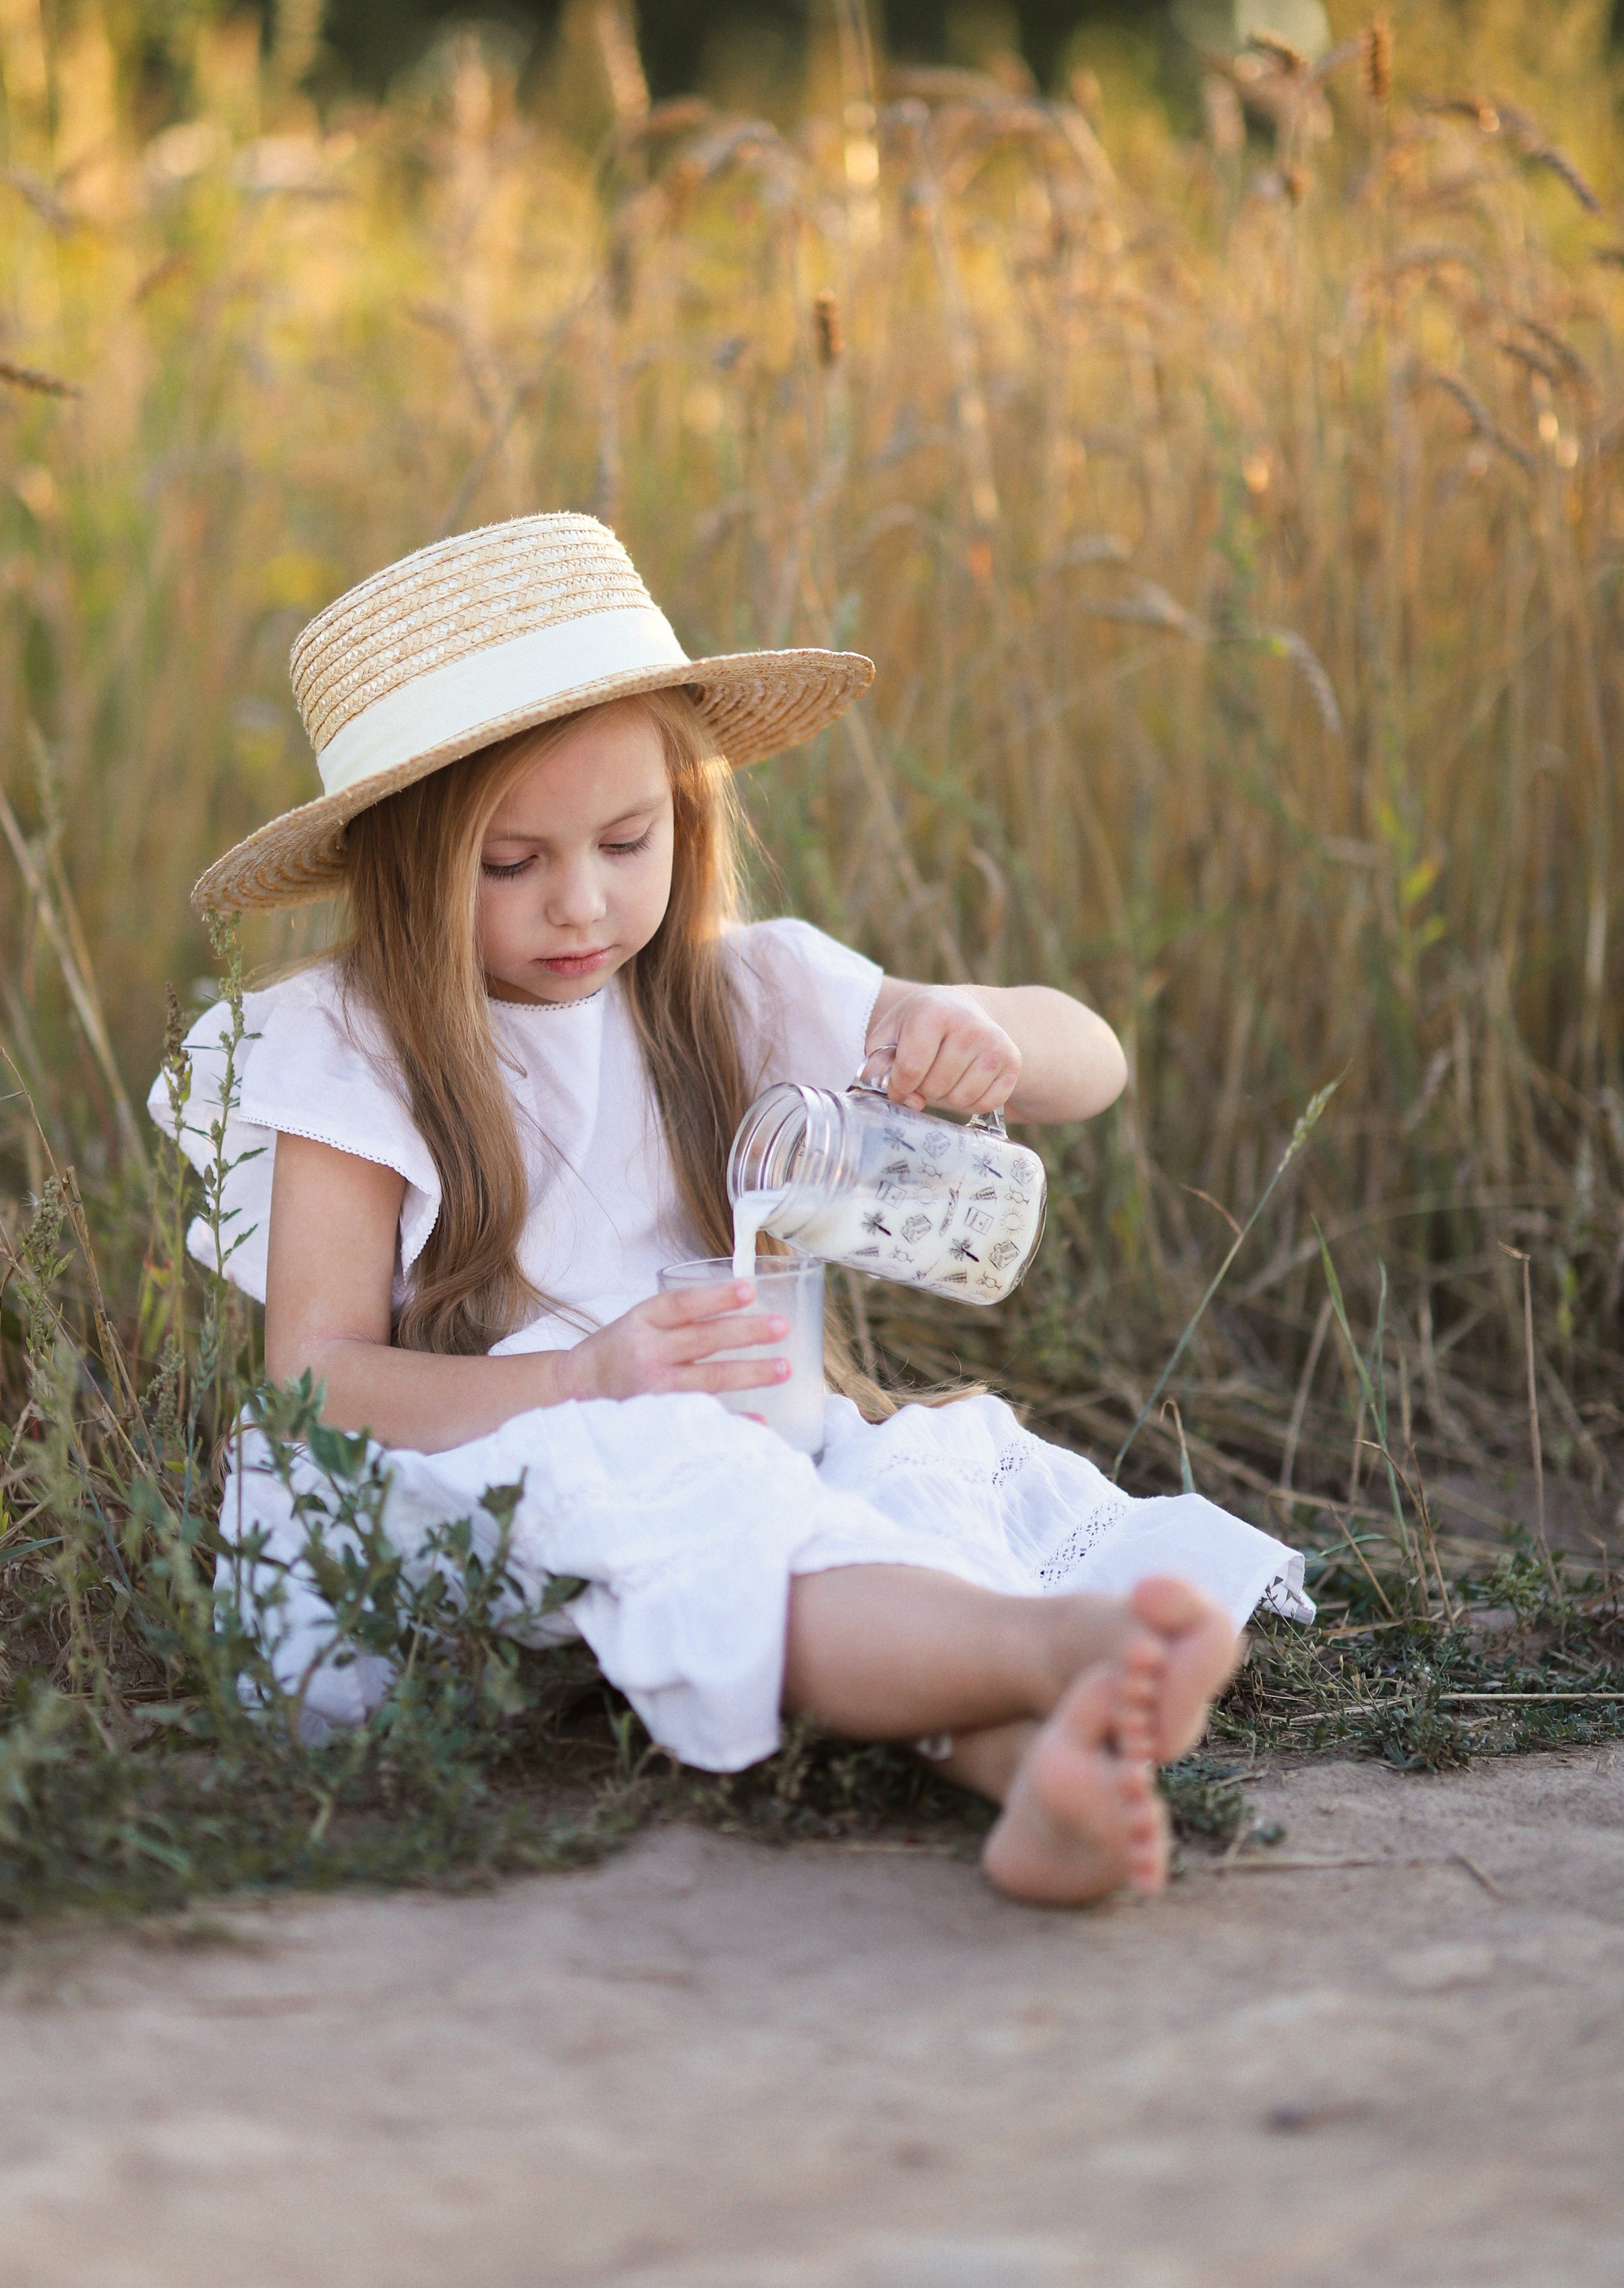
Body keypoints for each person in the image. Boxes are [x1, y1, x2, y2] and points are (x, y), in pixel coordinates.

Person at [153, 512, 1310, 1907]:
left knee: (878, 1494)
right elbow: (313, 1384)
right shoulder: (348, 1044)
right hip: (478, 1464)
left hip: (741, 1426)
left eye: (627, 841)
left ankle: (1033, 1771)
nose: (580, 904)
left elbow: (1092, 1061)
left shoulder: (734, 987)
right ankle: (1057, 1651)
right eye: (508, 865)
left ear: (684, 816)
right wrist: (587, 1375)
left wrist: (974, 1026)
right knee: (702, 1493)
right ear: (402, 866)